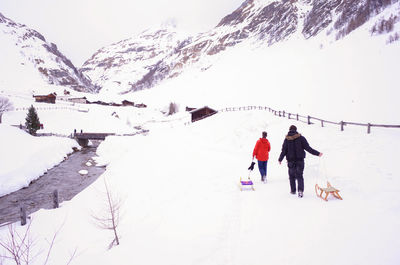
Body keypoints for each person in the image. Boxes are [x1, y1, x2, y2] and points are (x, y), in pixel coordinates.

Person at [278, 125, 322, 197]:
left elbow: (284, 151)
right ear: (296, 130)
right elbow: (308, 148)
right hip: (300, 161)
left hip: (290, 161)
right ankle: (300, 191)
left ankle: (293, 190)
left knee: (291, 176)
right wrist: (318, 153)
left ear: (289, 130)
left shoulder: (286, 140)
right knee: (300, 176)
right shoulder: (301, 138)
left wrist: (280, 159)